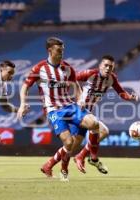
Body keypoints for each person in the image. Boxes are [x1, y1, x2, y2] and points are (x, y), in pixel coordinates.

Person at [17, 37, 106, 182]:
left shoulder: (67, 68)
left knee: (94, 124)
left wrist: (80, 99)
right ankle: (63, 168)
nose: (62, 53)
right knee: (69, 143)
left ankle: (93, 157)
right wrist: (22, 104)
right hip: (53, 110)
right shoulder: (39, 69)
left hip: (70, 106)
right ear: (50, 50)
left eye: (63, 50)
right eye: (59, 50)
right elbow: (25, 87)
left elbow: (75, 85)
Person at [42, 55, 138, 174]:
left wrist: (130, 97)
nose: (108, 68)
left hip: (88, 113)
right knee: (102, 131)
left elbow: (121, 92)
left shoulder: (112, 78)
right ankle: (87, 157)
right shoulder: (90, 74)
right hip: (79, 111)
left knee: (72, 146)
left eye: (110, 67)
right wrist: (78, 96)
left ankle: (50, 164)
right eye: (105, 65)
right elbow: (72, 78)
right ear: (100, 66)